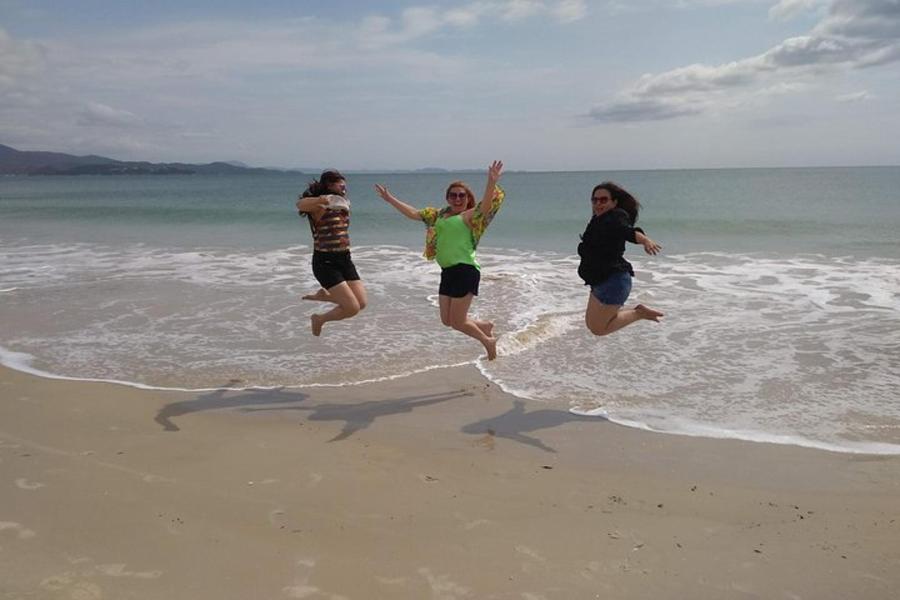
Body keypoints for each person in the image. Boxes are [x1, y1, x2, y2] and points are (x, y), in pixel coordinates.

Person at [375, 161, 505, 360]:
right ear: (447, 198)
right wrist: (390, 199)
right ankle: (484, 326)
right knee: (447, 320)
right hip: (447, 272)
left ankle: (487, 341)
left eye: (462, 195)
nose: (457, 198)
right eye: (453, 195)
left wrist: (491, 181)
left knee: (458, 322)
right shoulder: (437, 216)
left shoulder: (469, 216)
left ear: (468, 199)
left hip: (465, 270)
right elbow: (413, 213)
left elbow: (486, 206)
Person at [577, 181, 664, 336]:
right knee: (591, 325)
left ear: (614, 202)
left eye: (603, 200)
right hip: (599, 280)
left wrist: (645, 240)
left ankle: (638, 313)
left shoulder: (615, 217)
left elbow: (627, 231)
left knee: (598, 329)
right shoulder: (598, 220)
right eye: (595, 200)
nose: (598, 204)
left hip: (613, 282)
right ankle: (638, 312)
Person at [295, 169, 367, 336]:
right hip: (325, 263)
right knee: (352, 308)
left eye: (345, 185)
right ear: (329, 185)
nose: (344, 188)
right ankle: (319, 319)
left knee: (362, 303)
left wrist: (337, 201)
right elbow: (300, 205)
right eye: (341, 185)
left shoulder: (343, 205)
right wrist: (323, 199)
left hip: (345, 259)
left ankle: (325, 295)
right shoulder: (319, 207)